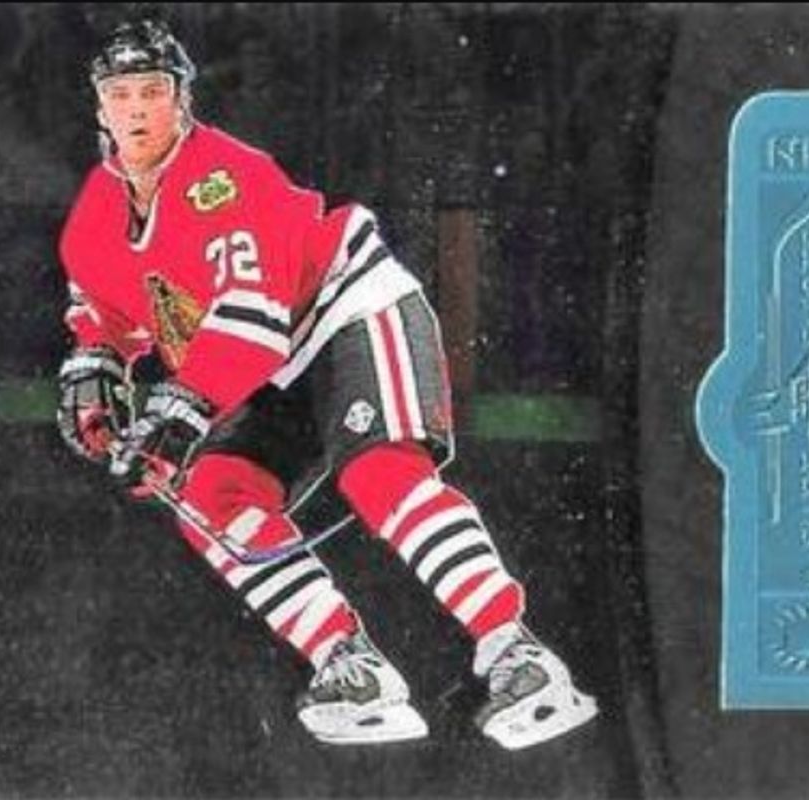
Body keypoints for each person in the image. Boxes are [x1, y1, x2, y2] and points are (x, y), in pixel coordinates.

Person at [56, 18, 597, 749]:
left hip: (345, 310)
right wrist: (94, 373)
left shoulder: (222, 178)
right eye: (121, 94)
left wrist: (179, 412)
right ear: (100, 105)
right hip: (263, 364)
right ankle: (348, 662)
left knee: (380, 474)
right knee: (213, 495)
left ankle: (517, 652)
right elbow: (106, 311)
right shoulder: (94, 214)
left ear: (181, 99)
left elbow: (250, 321)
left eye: (152, 91)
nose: (137, 109)